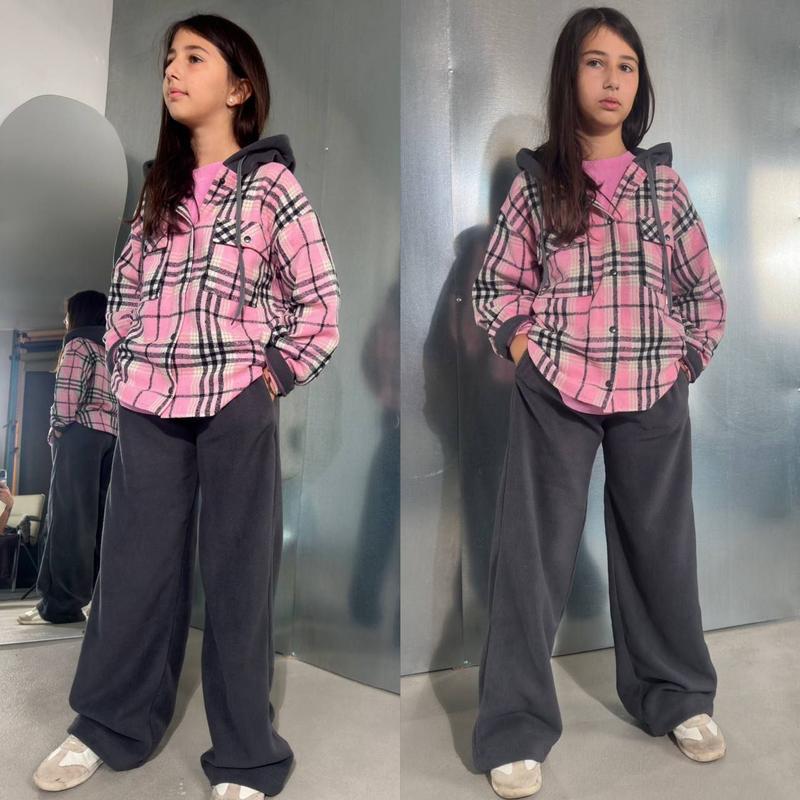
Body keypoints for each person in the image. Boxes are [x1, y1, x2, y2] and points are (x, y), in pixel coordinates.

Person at [32, 14, 340, 800]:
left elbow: (319, 302)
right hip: (148, 405)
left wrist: (272, 375)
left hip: (236, 397)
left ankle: (245, 754)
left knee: (239, 577)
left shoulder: (272, 186)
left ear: (239, 87)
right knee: (133, 571)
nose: (173, 69)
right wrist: (124, 364)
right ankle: (107, 725)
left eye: (194, 57)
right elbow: (125, 297)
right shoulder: (157, 196)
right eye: (170, 58)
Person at [470, 7, 727, 798]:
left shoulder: (663, 187)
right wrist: (526, 351)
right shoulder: (537, 185)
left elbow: (704, 293)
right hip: (559, 389)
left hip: (653, 388)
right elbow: (495, 287)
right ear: (568, 75)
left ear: (639, 82)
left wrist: (684, 359)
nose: (612, 79)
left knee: (661, 548)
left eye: (626, 65)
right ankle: (514, 724)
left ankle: (676, 694)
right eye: (595, 62)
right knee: (531, 557)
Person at [16, 291, 117, 625]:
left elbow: (66, 397)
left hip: (80, 435)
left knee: (68, 521)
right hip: (112, 438)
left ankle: (60, 605)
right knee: (100, 523)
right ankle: (94, 600)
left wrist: (57, 429)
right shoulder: (113, 349)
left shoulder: (78, 344)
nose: (64, 321)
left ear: (77, 315)